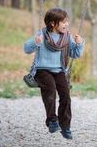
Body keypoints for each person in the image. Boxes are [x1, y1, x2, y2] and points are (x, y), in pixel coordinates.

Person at [24, 8, 85, 139]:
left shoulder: (67, 37)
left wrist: (79, 44)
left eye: (67, 21)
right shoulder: (42, 34)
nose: (66, 24)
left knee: (66, 96)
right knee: (50, 89)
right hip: (42, 70)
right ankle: (52, 121)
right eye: (63, 22)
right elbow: (26, 49)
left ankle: (65, 126)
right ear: (52, 23)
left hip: (59, 70)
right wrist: (36, 42)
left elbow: (75, 54)